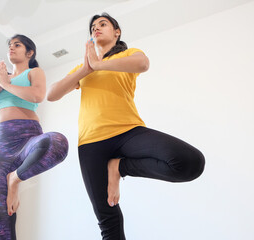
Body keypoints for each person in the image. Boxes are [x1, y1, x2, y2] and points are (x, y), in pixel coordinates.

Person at [47, 13, 205, 240]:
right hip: (91, 143)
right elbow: (52, 95)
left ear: (117, 32)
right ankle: (117, 168)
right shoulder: (83, 69)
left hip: (128, 132)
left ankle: (120, 167)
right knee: (108, 218)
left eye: (103, 24)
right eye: (93, 27)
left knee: (190, 162)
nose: (96, 28)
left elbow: (143, 63)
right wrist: (87, 68)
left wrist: (100, 63)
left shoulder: (127, 55)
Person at [0, 34, 69, 240]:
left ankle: (15, 178)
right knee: (1, 215)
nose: (11, 48)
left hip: (28, 138)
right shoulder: (1, 81)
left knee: (58, 142)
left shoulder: (34, 72)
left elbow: (37, 96)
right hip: (0, 146)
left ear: (29, 52)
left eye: (17, 45)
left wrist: (6, 85)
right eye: (9, 45)